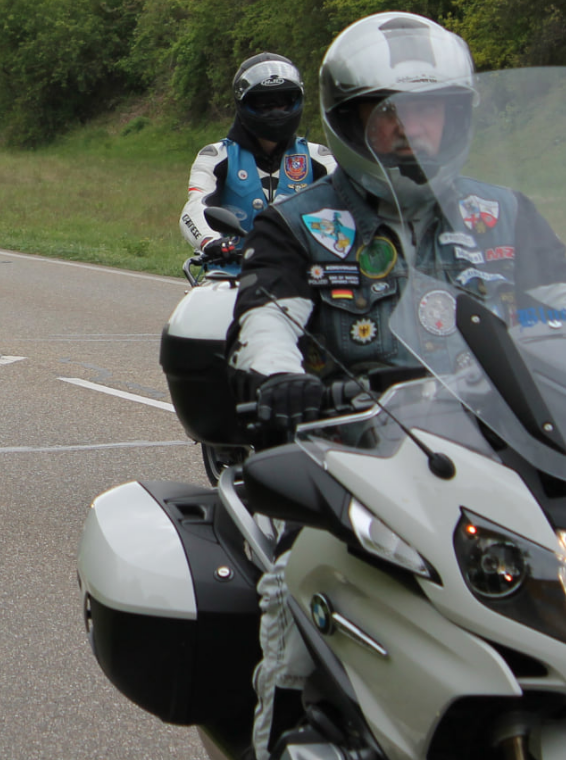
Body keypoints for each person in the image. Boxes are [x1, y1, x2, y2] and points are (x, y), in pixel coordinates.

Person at [226, 12, 566, 759]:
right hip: (360, 457)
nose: (415, 134)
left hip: (505, 457)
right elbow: (266, 321)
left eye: (434, 114)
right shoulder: (299, 223)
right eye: (392, 117)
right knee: (293, 590)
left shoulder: (505, 215)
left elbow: (560, 309)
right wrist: (283, 380)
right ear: (351, 123)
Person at [181, 54, 336, 272]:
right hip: (230, 277)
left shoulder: (319, 157)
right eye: (264, 104)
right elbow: (195, 206)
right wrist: (211, 241)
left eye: (283, 102)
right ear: (243, 104)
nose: (275, 111)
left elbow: (350, 205)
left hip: (304, 278)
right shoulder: (215, 156)